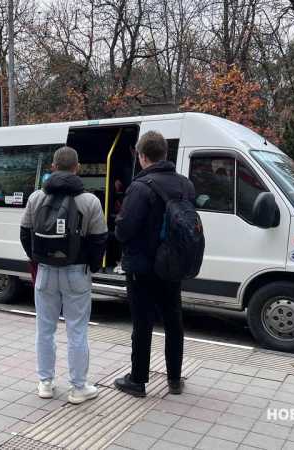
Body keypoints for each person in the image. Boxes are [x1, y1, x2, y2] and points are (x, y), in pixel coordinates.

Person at [20, 146, 107, 404]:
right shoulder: (90, 201)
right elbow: (100, 239)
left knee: (44, 330)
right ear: (77, 168)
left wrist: (37, 259)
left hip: (45, 273)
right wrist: (92, 266)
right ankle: (78, 387)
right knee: (77, 331)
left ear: (53, 167)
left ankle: (45, 383)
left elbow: (25, 234)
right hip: (76, 273)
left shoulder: (36, 198)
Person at [113, 131, 195, 397]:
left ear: (143, 156)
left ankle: (138, 380)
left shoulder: (140, 187)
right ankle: (174, 380)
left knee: (143, 323)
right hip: (173, 264)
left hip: (143, 268)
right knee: (174, 321)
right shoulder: (185, 185)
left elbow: (125, 230)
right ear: (165, 154)